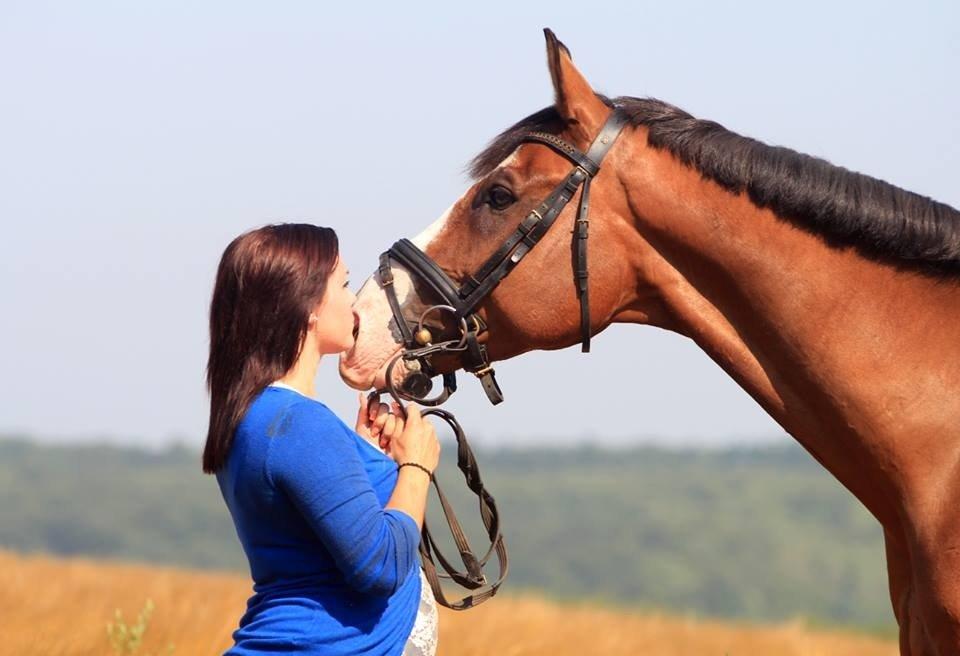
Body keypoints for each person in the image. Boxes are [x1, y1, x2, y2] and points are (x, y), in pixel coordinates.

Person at [203, 223, 440, 655]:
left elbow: (310, 540)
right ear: (308, 305)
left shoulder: (260, 417)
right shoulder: (298, 424)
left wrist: (361, 452)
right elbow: (380, 565)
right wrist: (417, 467)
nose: (354, 301)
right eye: (345, 284)